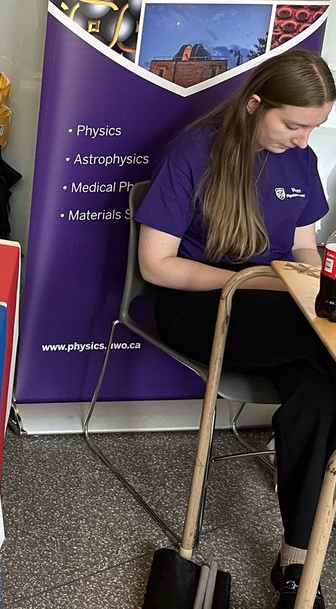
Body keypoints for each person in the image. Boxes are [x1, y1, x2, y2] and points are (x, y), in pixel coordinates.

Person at [137, 50, 336, 608]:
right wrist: (254, 281)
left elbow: (301, 247)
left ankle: (298, 558)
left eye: (313, 128)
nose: (303, 141)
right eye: (293, 125)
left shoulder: (299, 158)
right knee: (325, 357)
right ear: (254, 106)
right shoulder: (194, 152)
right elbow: (157, 265)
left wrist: (306, 282)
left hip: (281, 312)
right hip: (204, 306)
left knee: (320, 392)